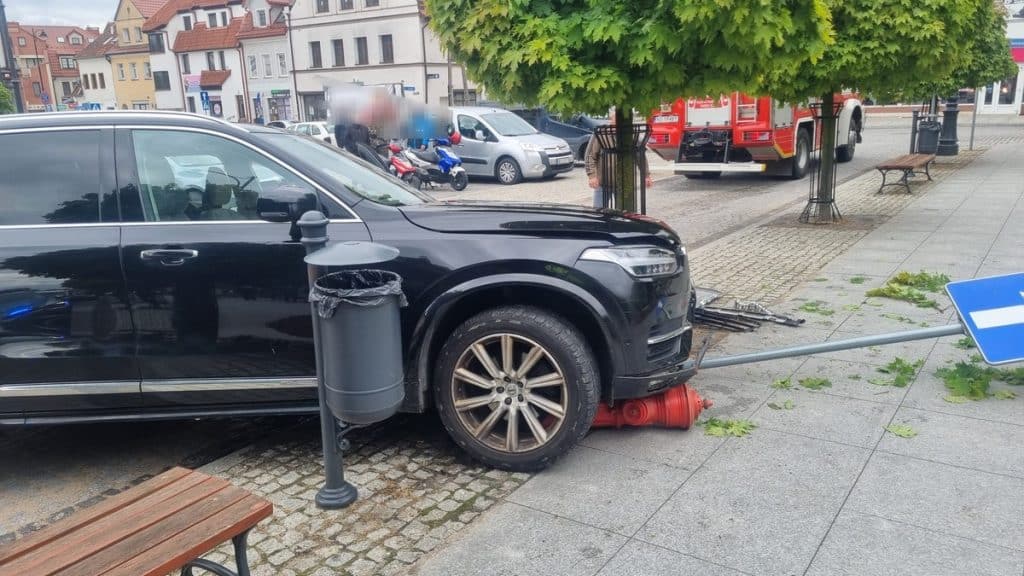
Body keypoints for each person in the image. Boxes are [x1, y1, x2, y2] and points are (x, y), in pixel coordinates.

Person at [584, 107, 653, 208]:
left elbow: (640, 156)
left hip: (624, 183)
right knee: (598, 212)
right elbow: (590, 155)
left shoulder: (632, 134)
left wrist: (646, 175)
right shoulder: (602, 133)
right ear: (610, 118)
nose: (618, 122)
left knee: (623, 214)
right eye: (615, 118)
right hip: (602, 183)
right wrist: (592, 176)